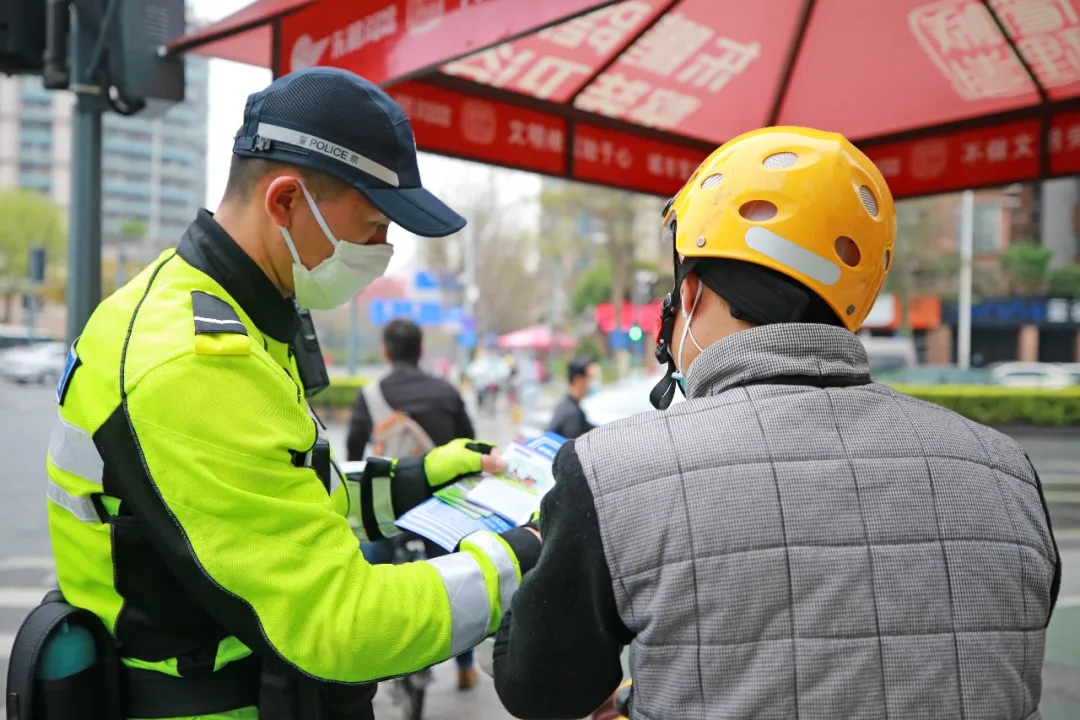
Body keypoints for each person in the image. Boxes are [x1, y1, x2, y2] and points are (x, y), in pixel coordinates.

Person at [492, 127, 1060, 719]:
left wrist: (540, 547)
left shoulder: (610, 471)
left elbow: (540, 691)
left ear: (689, 294)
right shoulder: (1006, 469)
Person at [42, 67, 540, 720]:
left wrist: (427, 479)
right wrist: (524, 553)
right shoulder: (193, 363)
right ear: (285, 202)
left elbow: (285, 499)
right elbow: (343, 624)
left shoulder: (228, 308)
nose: (382, 251)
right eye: (371, 226)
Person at [346, 317, 482, 690]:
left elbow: (353, 452)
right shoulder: (445, 391)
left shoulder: (370, 394)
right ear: (421, 351)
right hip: (441, 505)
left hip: (388, 505)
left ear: (386, 352)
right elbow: (468, 442)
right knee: (461, 573)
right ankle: (466, 665)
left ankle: (366, 655)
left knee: (366, 571)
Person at [545, 358, 599, 439]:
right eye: (591, 378)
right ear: (579, 380)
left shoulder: (567, 406)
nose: (593, 382)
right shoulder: (572, 415)